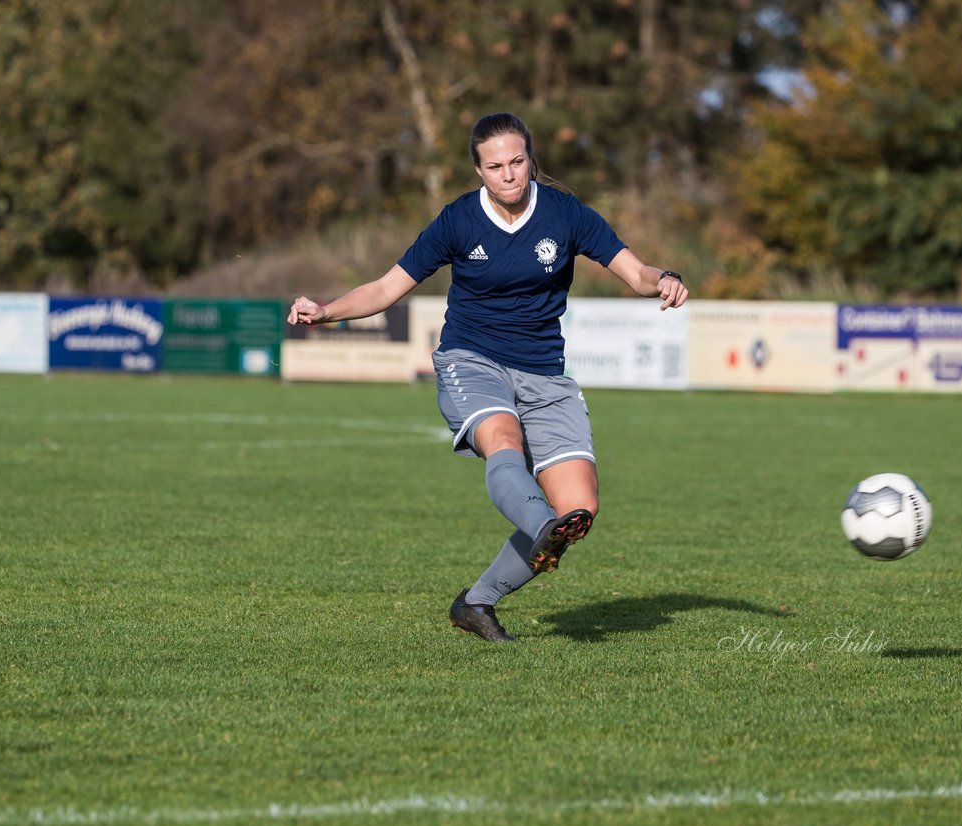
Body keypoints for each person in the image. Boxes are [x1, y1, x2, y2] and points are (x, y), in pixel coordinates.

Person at [288, 112, 689, 642]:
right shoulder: (458, 221)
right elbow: (387, 288)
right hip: (470, 361)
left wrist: (663, 278)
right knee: (502, 435)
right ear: (478, 170)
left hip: (545, 376)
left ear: (530, 159)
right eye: (495, 165)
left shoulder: (565, 214)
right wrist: (326, 310)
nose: (508, 175)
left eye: (517, 162)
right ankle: (537, 523)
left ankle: (476, 603)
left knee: (578, 511)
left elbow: (634, 271)